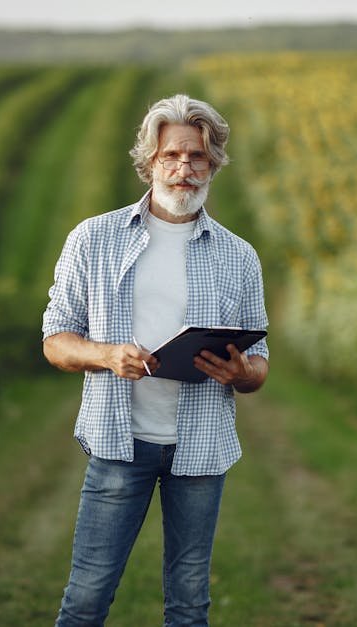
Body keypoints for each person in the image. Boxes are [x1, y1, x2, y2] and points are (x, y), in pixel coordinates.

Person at [42, 93, 269, 626]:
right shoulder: (93, 239)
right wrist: (104, 355)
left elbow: (259, 365)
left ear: (214, 165)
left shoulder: (239, 255)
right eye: (171, 156)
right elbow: (55, 340)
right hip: (119, 443)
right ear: (150, 162)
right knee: (86, 599)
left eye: (197, 157)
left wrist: (241, 373)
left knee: (190, 607)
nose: (184, 169)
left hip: (201, 450)